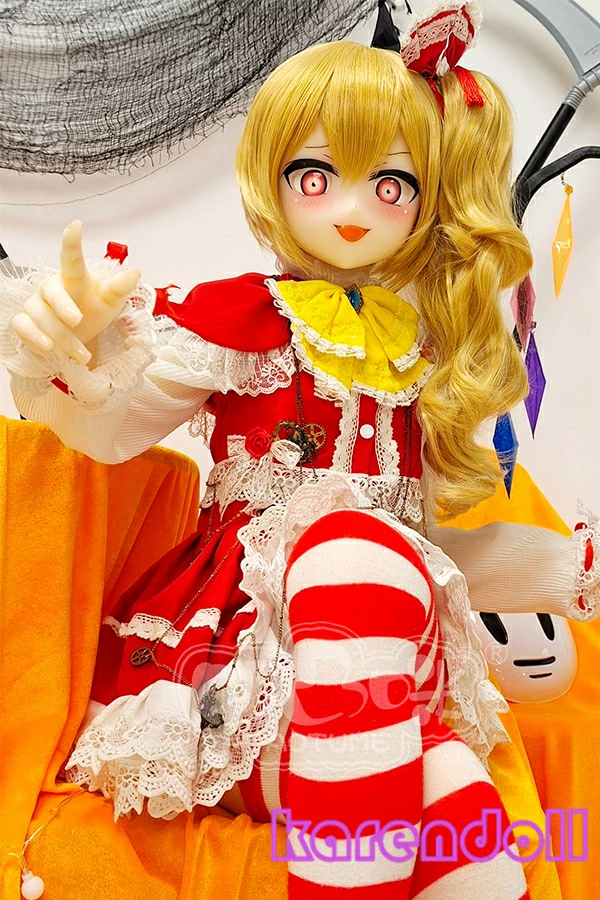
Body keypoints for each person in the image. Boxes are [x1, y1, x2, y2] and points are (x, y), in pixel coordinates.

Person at [1, 5, 598, 898]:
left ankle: (359, 852)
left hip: (377, 683)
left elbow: (433, 552)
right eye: (316, 175)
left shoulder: (419, 359)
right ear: (272, 178)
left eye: (390, 184)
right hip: (241, 670)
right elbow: (108, 432)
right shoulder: (245, 318)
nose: (352, 210)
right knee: (352, 550)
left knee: (476, 840)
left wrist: (568, 568)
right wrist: (68, 365)